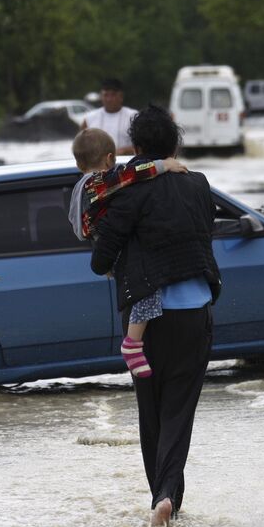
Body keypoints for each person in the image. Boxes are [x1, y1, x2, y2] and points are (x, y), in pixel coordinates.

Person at [90, 105, 221, 527]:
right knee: (178, 414)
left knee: (152, 414)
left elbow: (100, 259)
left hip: (146, 324)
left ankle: (160, 499)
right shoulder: (199, 185)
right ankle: (169, 500)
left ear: (139, 147)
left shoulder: (128, 191)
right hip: (194, 316)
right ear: (174, 146)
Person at [69, 128, 188, 377]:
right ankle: (132, 344)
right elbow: (133, 175)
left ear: (78, 162)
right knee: (146, 288)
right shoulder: (99, 182)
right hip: (112, 243)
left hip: (103, 243)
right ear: (110, 159)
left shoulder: (83, 185)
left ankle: (134, 340)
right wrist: (164, 165)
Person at [81, 78, 138, 155]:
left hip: (127, 163)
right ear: (101, 96)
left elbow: (143, 146)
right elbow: (80, 146)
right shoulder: (89, 118)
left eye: (113, 95)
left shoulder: (134, 116)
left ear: (121, 96)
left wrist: (125, 151)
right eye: (105, 95)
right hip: (97, 164)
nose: (109, 99)